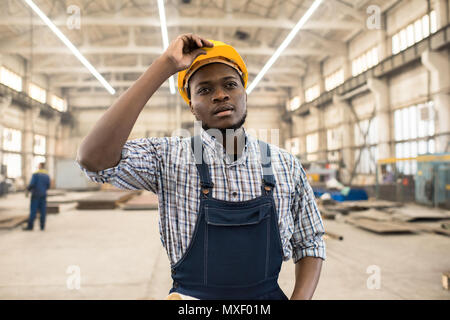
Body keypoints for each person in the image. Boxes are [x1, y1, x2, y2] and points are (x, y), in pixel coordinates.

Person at [77, 34, 326, 300]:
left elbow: (310, 240)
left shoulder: (285, 165)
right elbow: (94, 159)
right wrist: (164, 65)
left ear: (244, 92)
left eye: (230, 84)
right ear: (191, 106)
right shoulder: (168, 158)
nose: (220, 95)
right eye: (204, 90)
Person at [24, 162, 50, 231]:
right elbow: (48, 186)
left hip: (35, 195)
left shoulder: (35, 174)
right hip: (43, 195)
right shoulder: (46, 175)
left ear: (40, 166)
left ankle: (30, 226)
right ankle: (42, 227)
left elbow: (32, 184)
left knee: (33, 211)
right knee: (43, 211)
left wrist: (27, 189)